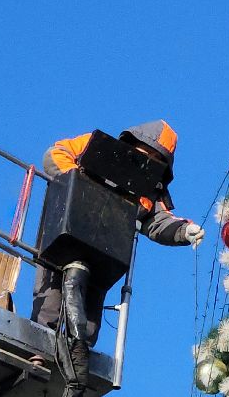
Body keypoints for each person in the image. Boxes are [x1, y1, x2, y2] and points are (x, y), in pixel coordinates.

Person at [31, 120, 203, 342]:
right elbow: (56, 154)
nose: (149, 160)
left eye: (157, 158)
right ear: (134, 143)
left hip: (104, 250)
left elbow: (157, 221)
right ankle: (41, 349)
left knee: (89, 316)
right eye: (147, 152)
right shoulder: (95, 146)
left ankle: (80, 359)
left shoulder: (150, 188)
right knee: (50, 300)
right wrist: (80, 185)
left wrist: (184, 230)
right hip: (63, 235)